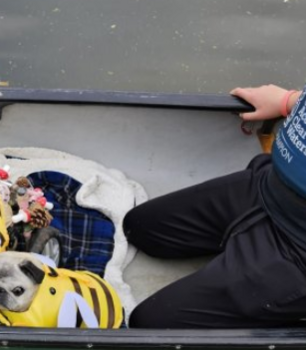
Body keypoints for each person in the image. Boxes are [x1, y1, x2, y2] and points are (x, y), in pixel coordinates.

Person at [124, 83, 306, 328]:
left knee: (148, 325)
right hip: (266, 187)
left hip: (296, 250)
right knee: (140, 227)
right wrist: (290, 100)